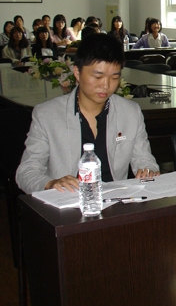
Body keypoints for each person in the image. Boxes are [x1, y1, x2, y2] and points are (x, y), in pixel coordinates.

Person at [16, 33, 160, 194]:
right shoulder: (47, 115)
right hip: (68, 201)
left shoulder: (130, 112)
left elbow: (145, 160)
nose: (105, 85)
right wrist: (50, 184)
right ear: (77, 73)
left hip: (117, 201)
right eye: (98, 76)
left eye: (114, 77)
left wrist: (148, 170)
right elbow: (26, 172)